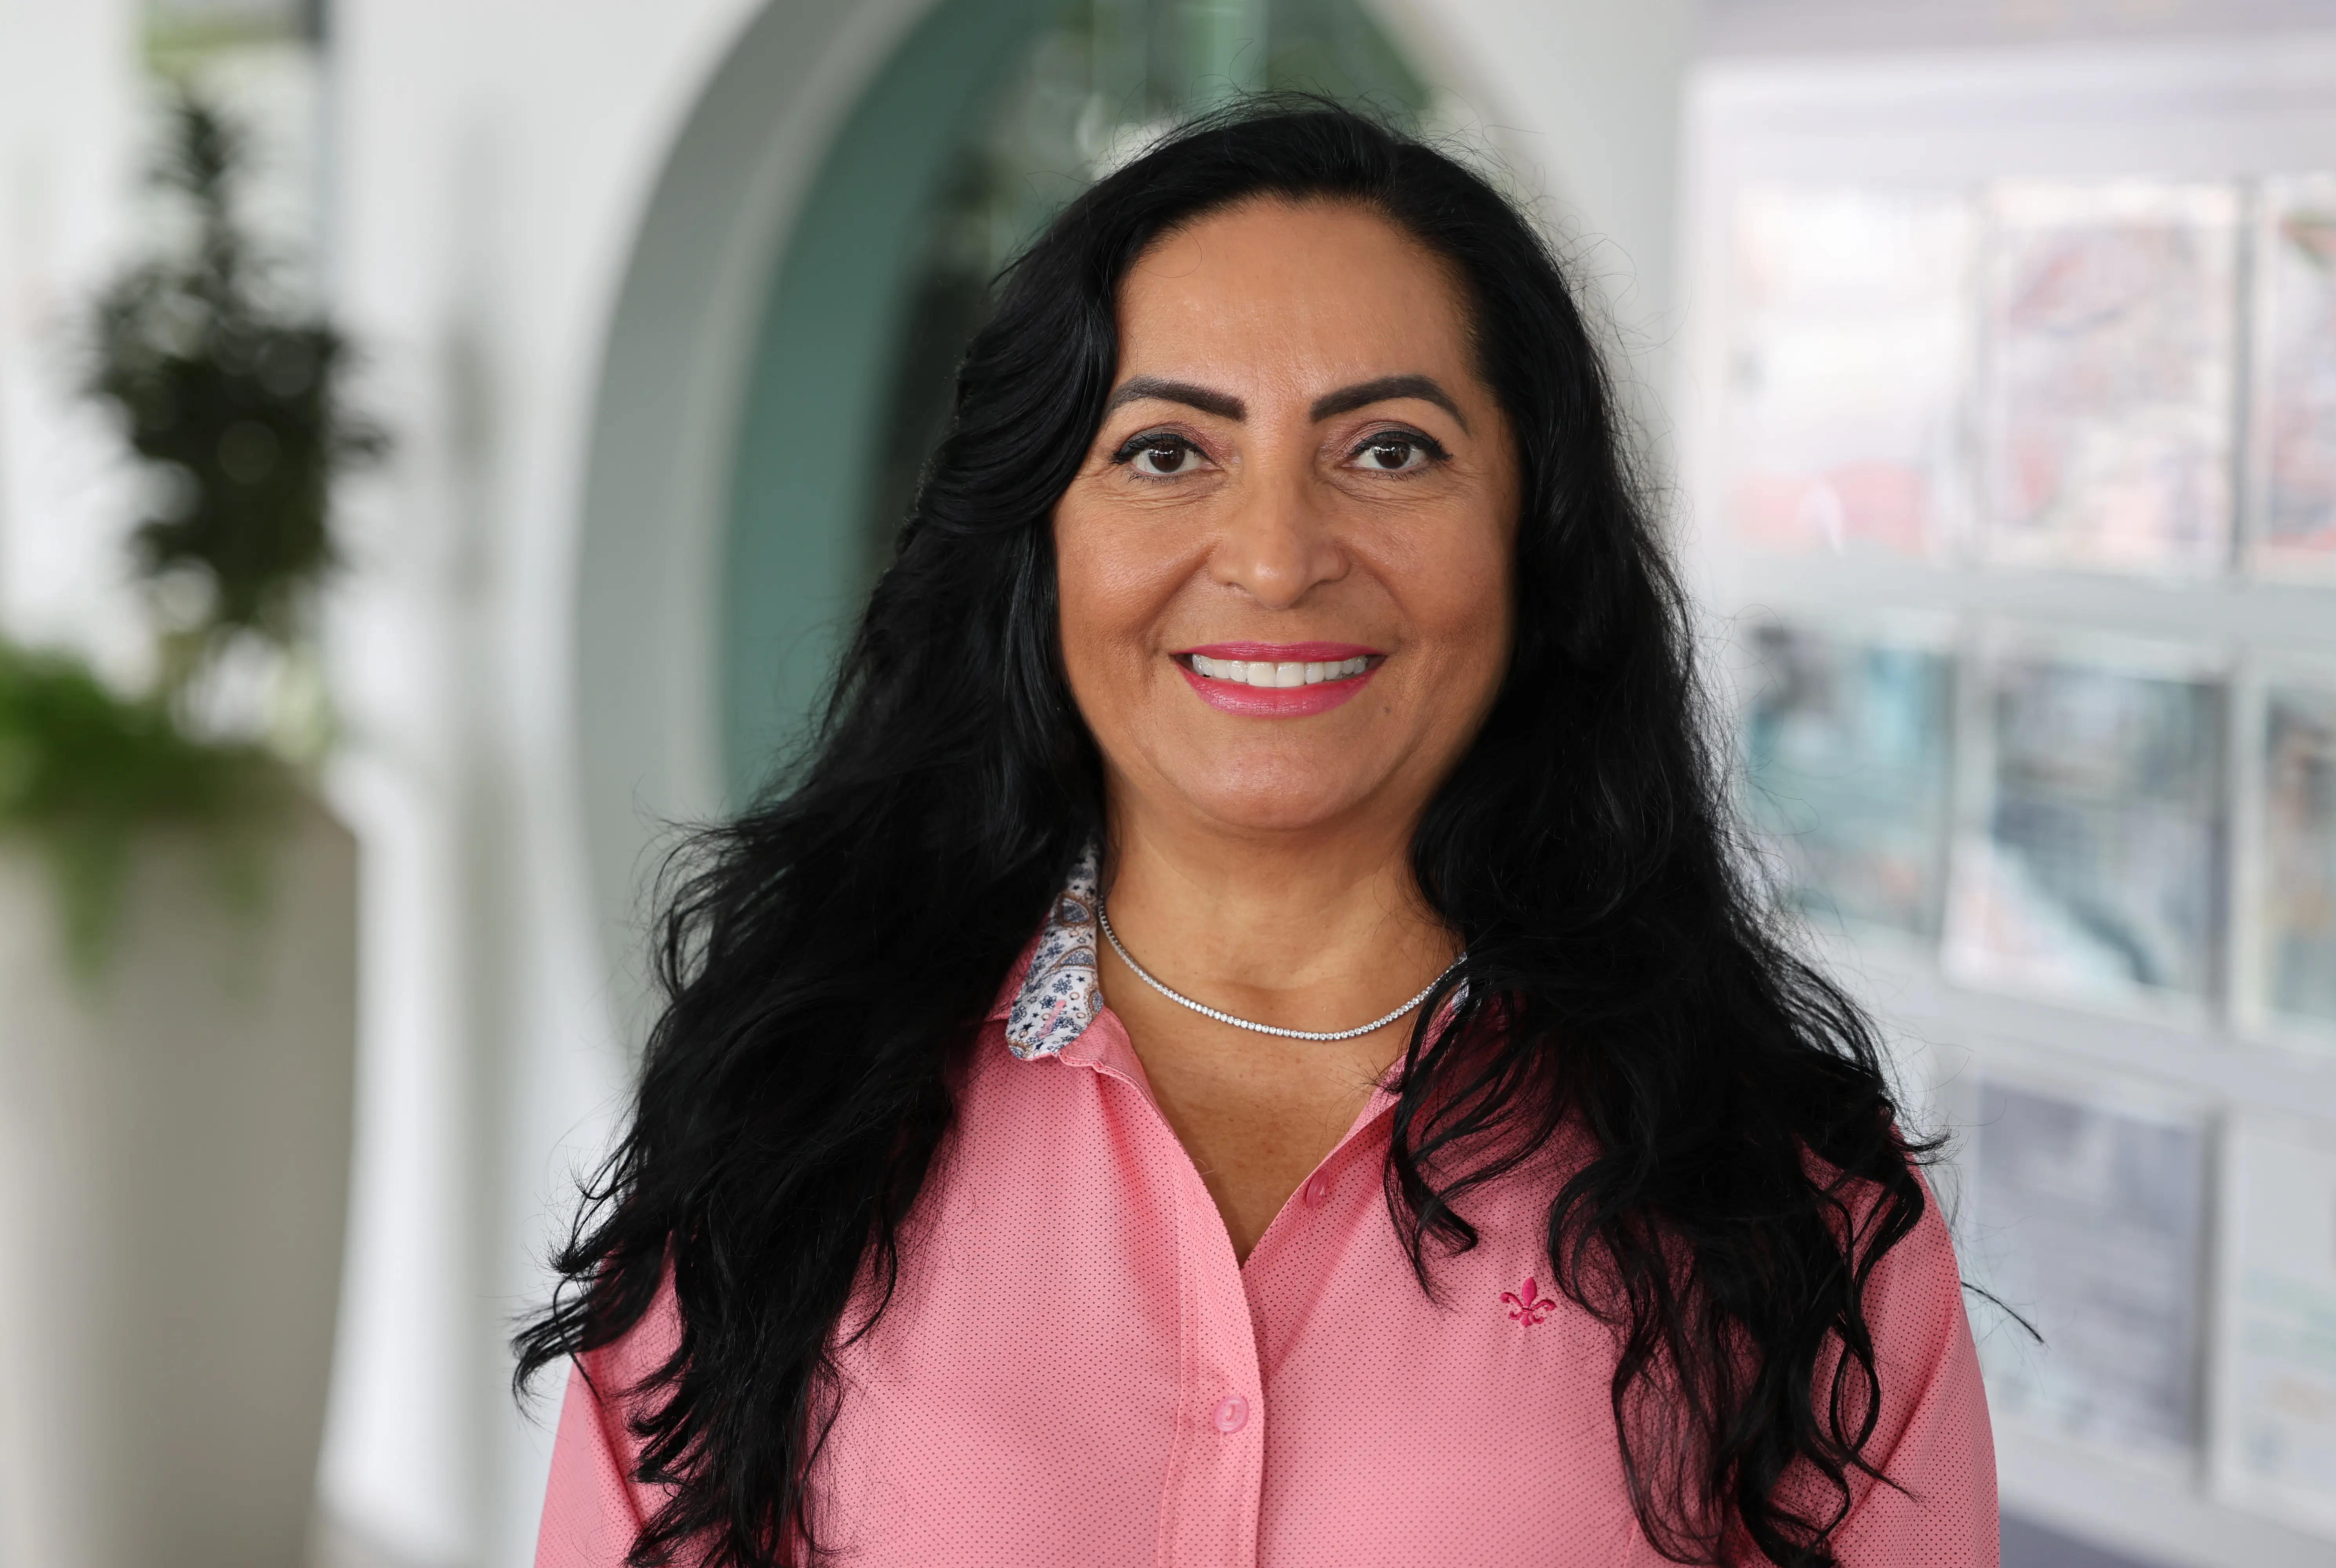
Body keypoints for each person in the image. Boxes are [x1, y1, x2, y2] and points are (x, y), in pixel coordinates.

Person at [519, 104, 1996, 1568]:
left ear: (1535, 543)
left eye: (1392, 451)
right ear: (1038, 544)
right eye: (1167, 453)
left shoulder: (1786, 1202)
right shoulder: (790, 1123)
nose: (1279, 558)